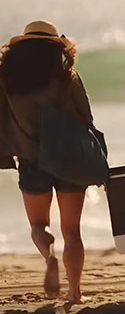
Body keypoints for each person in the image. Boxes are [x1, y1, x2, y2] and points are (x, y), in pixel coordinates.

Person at [0, 20, 95, 303]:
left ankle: (49, 257)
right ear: (55, 47)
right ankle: (75, 292)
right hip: (69, 158)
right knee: (72, 230)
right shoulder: (67, 75)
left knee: (39, 226)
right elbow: (86, 118)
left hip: (31, 160)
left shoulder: (6, 79)